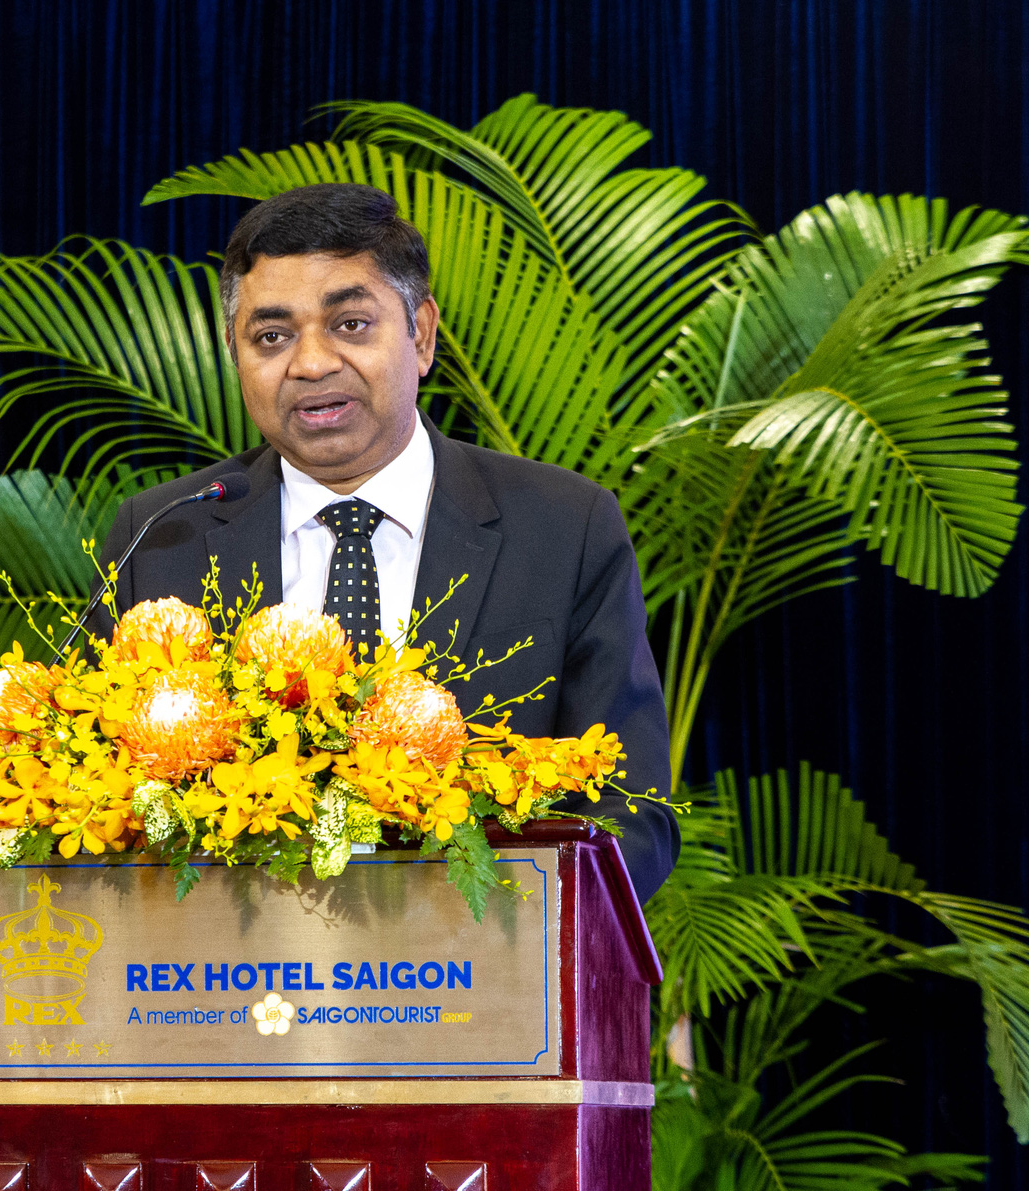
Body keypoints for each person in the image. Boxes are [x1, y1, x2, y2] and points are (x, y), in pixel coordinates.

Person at [97, 183, 678, 897]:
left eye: (349, 324)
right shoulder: (161, 538)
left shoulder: (564, 526)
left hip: (485, 984)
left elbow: (635, 818)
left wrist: (493, 931)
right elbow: (96, 806)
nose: (310, 363)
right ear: (234, 353)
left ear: (422, 334)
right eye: (271, 337)